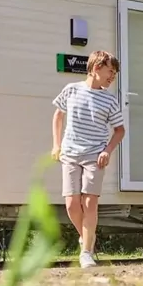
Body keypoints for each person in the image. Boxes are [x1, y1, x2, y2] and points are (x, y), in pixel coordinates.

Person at [51, 50, 125, 269]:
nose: (113, 76)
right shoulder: (71, 90)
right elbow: (58, 115)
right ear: (96, 68)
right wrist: (56, 144)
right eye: (110, 71)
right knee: (72, 204)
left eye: (115, 73)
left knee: (90, 202)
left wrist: (107, 151)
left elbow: (120, 130)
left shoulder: (109, 100)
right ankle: (86, 237)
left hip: (95, 155)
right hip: (70, 153)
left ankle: (86, 252)